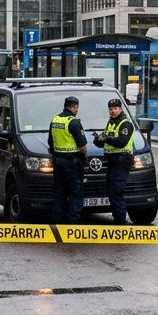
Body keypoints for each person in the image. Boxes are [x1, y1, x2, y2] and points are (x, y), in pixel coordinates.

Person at [92, 98, 135, 225]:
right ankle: (117, 218)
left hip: (121, 161)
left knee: (117, 191)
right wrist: (98, 139)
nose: (112, 111)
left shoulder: (125, 124)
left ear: (120, 109)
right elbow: (102, 142)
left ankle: (120, 221)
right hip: (111, 162)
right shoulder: (110, 123)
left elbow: (122, 142)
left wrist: (106, 139)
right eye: (110, 109)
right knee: (111, 191)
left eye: (115, 109)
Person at [50, 95, 87, 223]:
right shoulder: (74, 122)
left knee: (59, 191)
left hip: (58, 161)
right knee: (76, 192)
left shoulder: (55, 120)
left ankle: (57, 219)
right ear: (75, 107)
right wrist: (84, 157)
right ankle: (73, 221)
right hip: (72, 162)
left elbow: (51, 142)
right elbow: (82, 146)